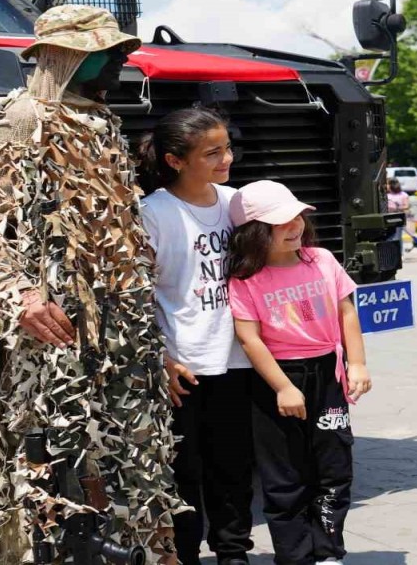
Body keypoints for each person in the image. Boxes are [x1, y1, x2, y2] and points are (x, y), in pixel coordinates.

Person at [0, 5, 184, 563]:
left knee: (119, 456)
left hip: (114, 328)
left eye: (119, 51)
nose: (121, 61)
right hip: (49, 333)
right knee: (51, 461)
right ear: (67, 56)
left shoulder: (99, 123)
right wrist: (19, 295)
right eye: (106, 52)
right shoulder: (21, 118)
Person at [225, 180, 372, 565]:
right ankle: (294, 556)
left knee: (334, 468)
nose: (295, 226)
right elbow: (249, 338)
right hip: (277, 379)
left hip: (327, 372)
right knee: (284, 476)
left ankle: (328, 553)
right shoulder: (245, 279)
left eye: (297, 217)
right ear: (253, 232)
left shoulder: (321, 259)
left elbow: (346, 312)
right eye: (281, 222)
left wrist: (357, 363)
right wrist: (283, 387)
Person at [139, 107, 255, 565]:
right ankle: (183, 553)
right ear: (175, 160)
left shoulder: (238, 204)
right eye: (212, 152)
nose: (226, 159)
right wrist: (159, 360)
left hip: (239, 359)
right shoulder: (152, 213)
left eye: (227, 148)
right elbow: (134, 295)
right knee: (182, 471)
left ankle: (233, 553)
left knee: (234, 467)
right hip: (182, 365)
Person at [385, 176, 412, 244]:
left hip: (398, 219)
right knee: (389, 238)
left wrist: (396, 208)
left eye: (387, 184)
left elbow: (406, 206)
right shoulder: (386, 195)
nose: (386, 185)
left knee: (397, 238)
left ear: (392, 185)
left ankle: (399, 253)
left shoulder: (403, 195)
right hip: (387, 218)